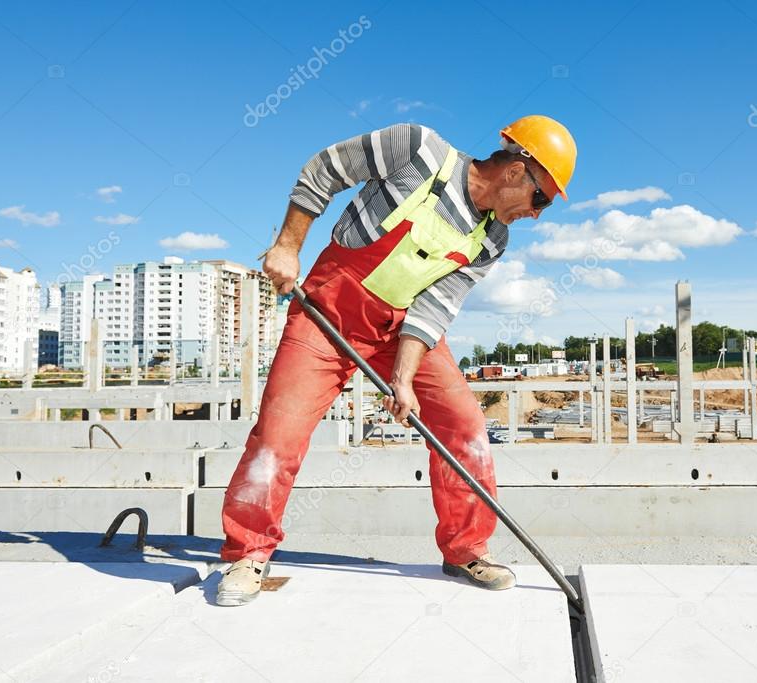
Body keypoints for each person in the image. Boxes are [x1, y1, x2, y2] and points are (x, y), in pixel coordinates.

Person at [216, 115, 577, 606]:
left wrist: (403, 379)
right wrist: (287, 246)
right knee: (277, 437)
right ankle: (247, 553)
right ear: (516, 171)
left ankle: (465, 550)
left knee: (465, 429)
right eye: (542, 199)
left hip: (401, 331)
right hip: (328, 313)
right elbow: (324, 169)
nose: (537, 215)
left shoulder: (492, 239)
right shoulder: (418, 150)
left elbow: (433, 308)